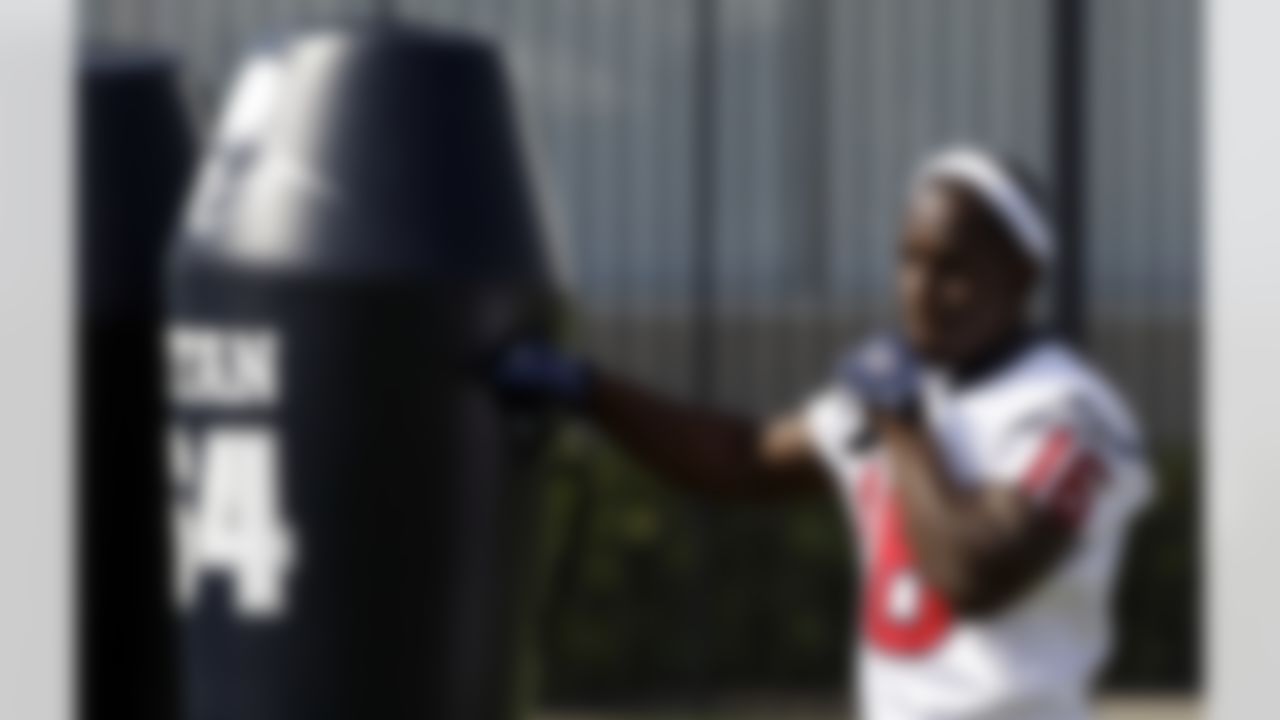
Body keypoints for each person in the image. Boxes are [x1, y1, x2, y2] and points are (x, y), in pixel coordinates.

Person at [492, 146, 1153, 720]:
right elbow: (742, 457)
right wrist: (590, 390)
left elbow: (974, 573)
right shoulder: (900, 390)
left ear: (1022, 276)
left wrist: (900, 423)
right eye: (909, 261)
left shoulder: (1067, 411)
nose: (921, 292)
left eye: (953, 269)